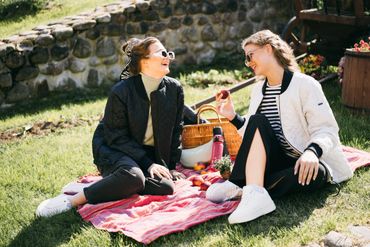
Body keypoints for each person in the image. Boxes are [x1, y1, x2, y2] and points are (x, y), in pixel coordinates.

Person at [206, 30, 353, 224]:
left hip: (302, 160)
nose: (248, 62)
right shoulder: (259, 90)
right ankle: (250, 189)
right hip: (274, 160)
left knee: (316, 172)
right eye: (246, 58)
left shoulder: (305, 85)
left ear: (268, 49)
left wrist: (311, 152)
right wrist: (233, 117)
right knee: (257, 121)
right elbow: (255, 138)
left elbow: (327, 129)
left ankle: (245, 187)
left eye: (250, 55)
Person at [36, 37, 186, 217]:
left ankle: (113, 183)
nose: (168, 57)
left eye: (169, 53)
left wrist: (170, 167)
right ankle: (71, 200)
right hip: (112, 147)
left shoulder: (174, 89)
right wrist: (148, 164)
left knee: (166, 186)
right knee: (134, 177)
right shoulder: (121, 91)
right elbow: (115, 136)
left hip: (144, 153)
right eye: (162, 53)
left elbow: (177, 129)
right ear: (144, 61)